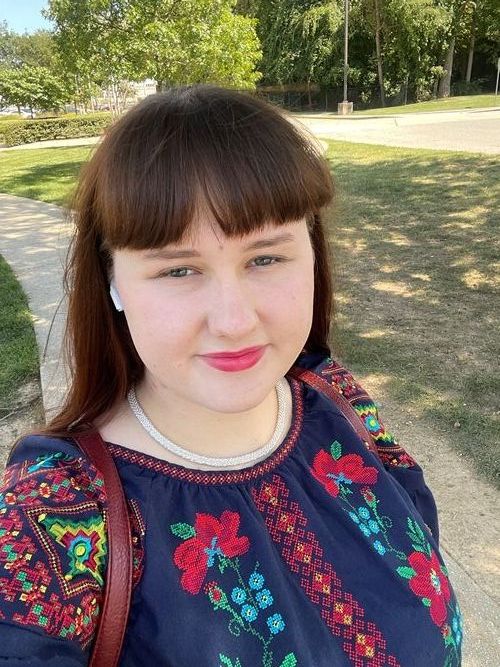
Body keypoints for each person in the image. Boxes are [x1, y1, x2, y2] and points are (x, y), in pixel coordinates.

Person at [0, 85, 462, 666]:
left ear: (313, 255)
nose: (235, 321)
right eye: (178, 270)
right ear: (113, 282)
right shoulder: (55, 513)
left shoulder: (336, 396)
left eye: (265, 258)